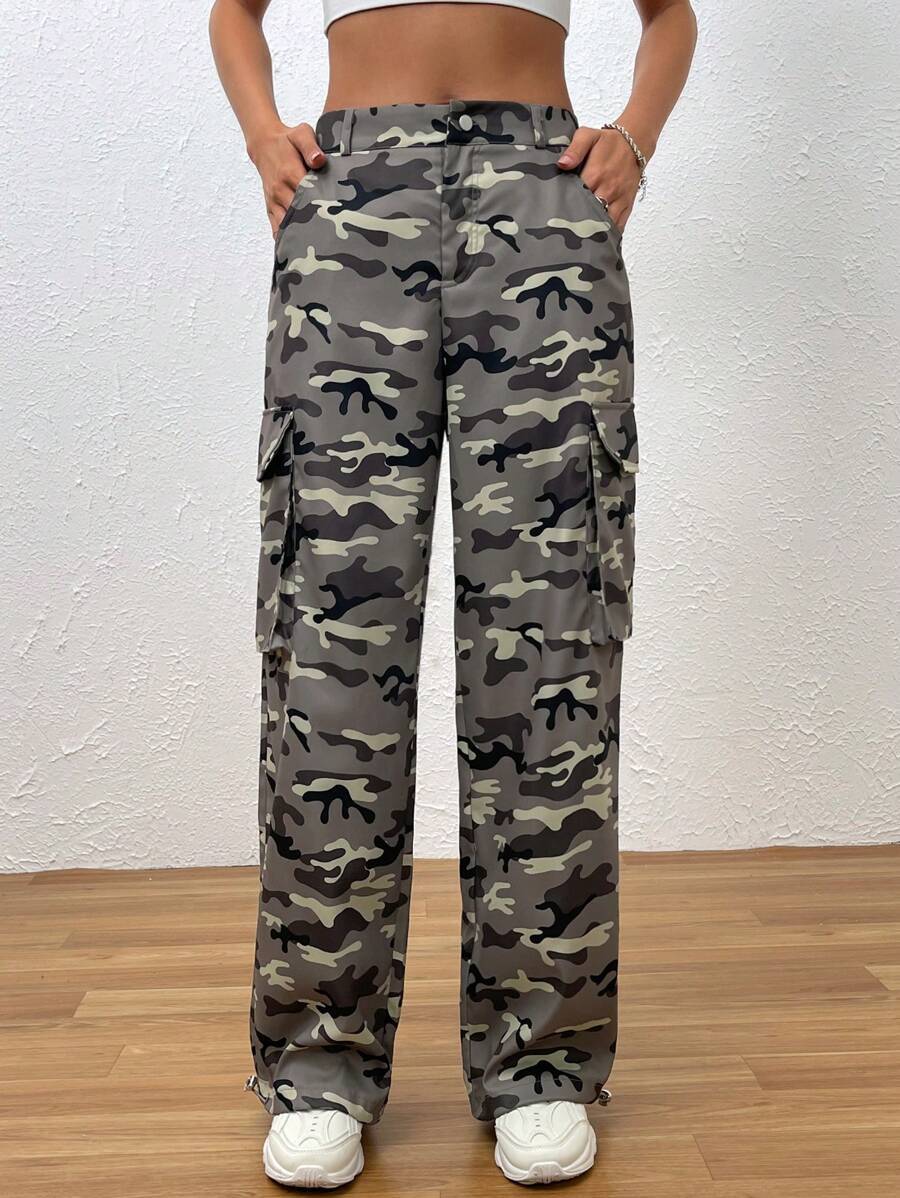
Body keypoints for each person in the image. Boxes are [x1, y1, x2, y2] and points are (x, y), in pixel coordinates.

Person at [210, 0, 696, 1186]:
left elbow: (670, 15)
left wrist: (633, 137)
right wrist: (265, 132)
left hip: (543, 198)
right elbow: (234, 10)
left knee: (551, 641)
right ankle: (319, 1060)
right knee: (332, 646)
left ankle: (544, 1060)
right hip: (351, 195)